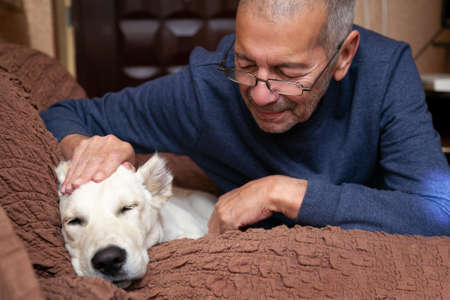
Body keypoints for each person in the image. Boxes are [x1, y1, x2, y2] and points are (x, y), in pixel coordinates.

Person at [41, 0, 450, 236]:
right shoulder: (205, 90)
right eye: (245, 63)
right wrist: (86, 149)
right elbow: (67, 113)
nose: (259, 94)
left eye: (289, 74)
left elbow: (438, 210)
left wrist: (280, 192)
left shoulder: (387, 71)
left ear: (343, 55)